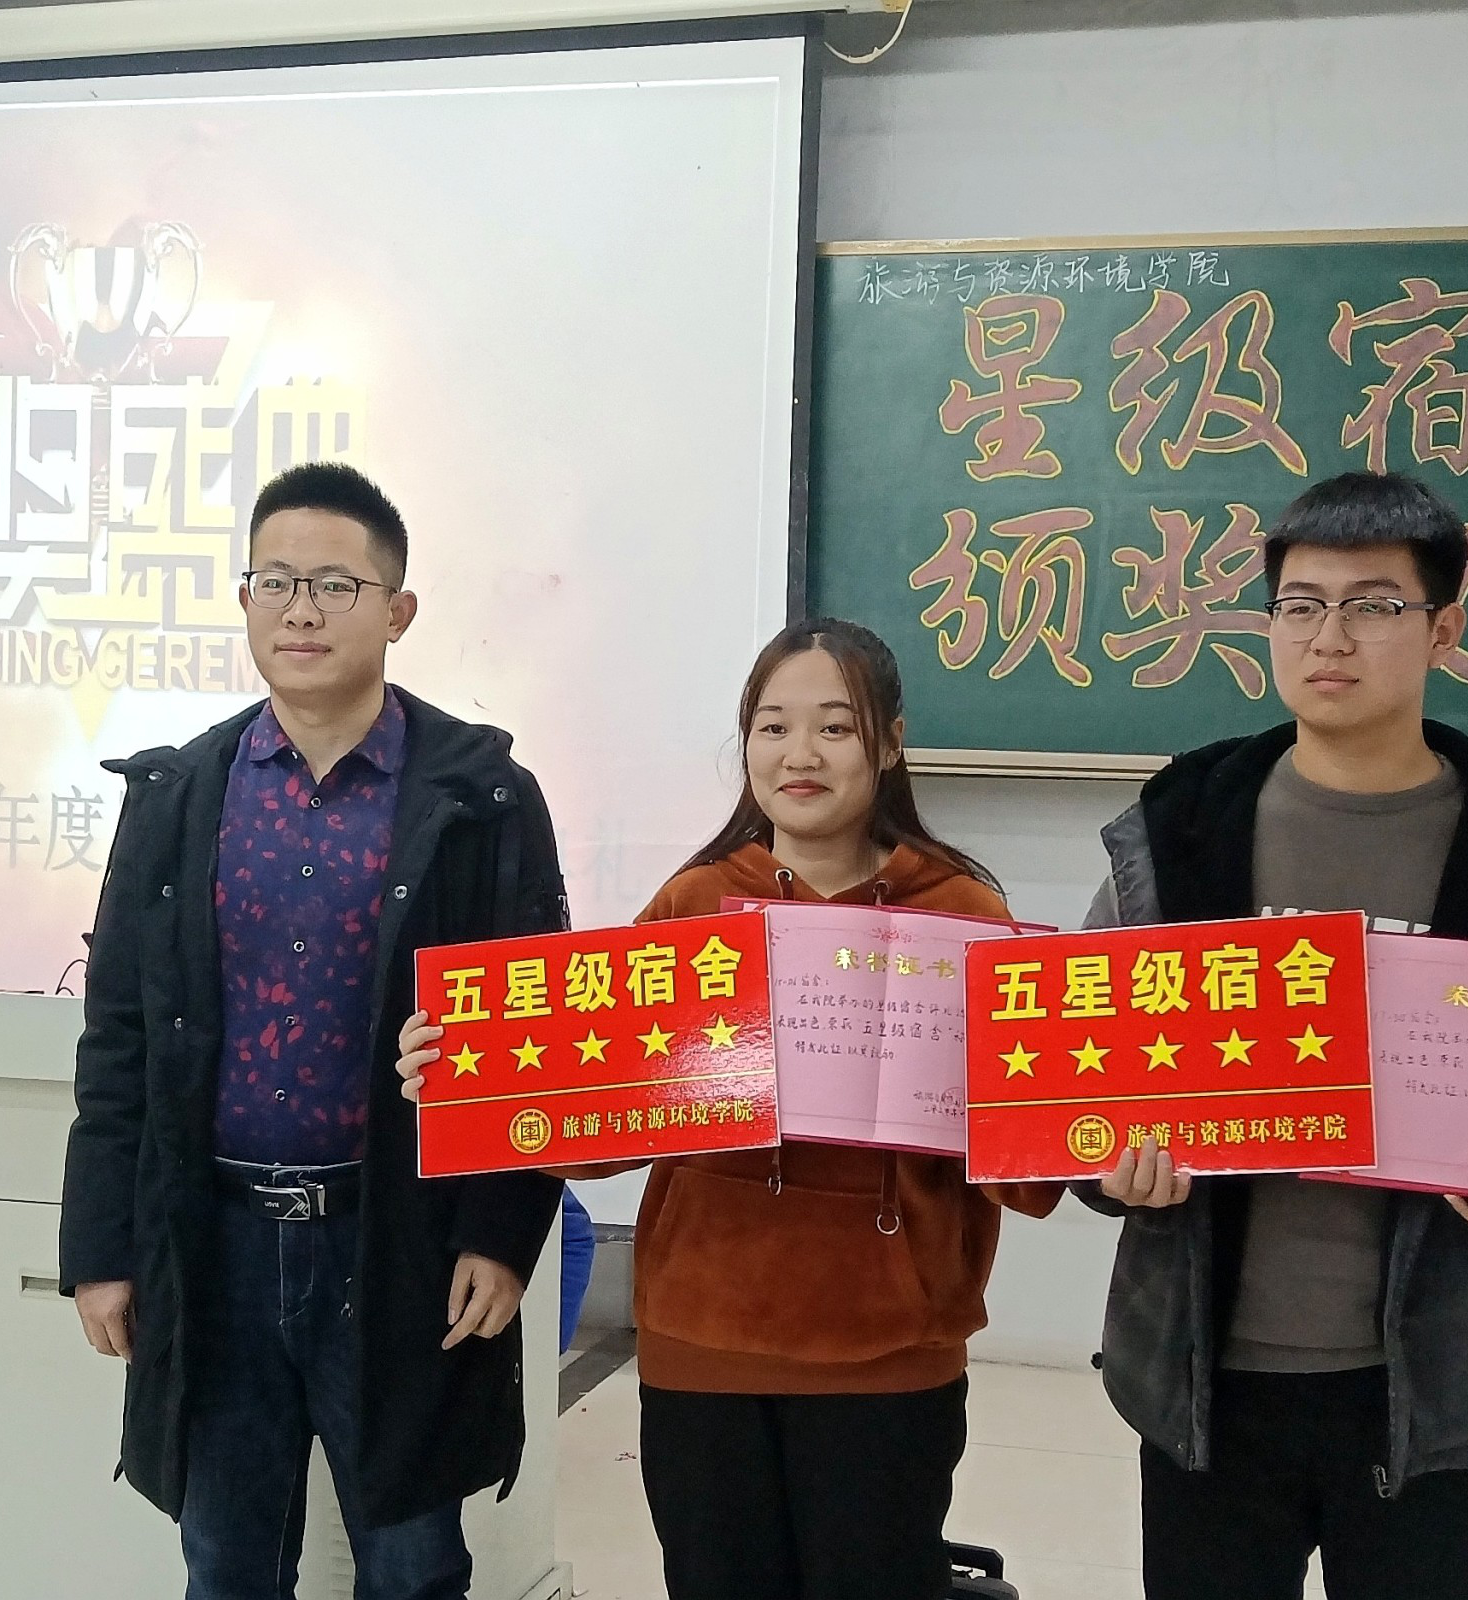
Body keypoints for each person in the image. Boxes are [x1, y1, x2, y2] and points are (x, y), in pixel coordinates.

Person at [1082, 471, 1468, 1600]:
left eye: (1373, 605)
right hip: (1203, 1381)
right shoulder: (1179, 828)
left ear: (1443, 627)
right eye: (1299, 605)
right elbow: (1082, 1088)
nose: (1328, 637)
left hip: (1430, 1397)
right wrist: (1107, 1166)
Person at [399, 619, 1057, 1600]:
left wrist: (1077, 1127)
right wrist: (473, 1077)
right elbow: (596, 1130)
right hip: (701, 1349)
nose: (799, 755)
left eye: (835, 727)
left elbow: (1029, 1171)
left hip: (892, 1358)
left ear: (888, 742)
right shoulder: (693, 907)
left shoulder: (960, 916)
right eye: (772, 726)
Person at [60, 460, 568, 1600]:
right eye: (275, 581)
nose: (301, 610)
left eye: (336, 585)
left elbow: (533, 1030)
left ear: (398, 610)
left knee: (413, 1560)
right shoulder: (177, 796)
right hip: (216, 1238)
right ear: (245, 600)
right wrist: (100, 1249)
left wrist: (500, 1232)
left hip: (399, 1237)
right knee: (225, 1557)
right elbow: (119, 1039)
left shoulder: (480, 799)